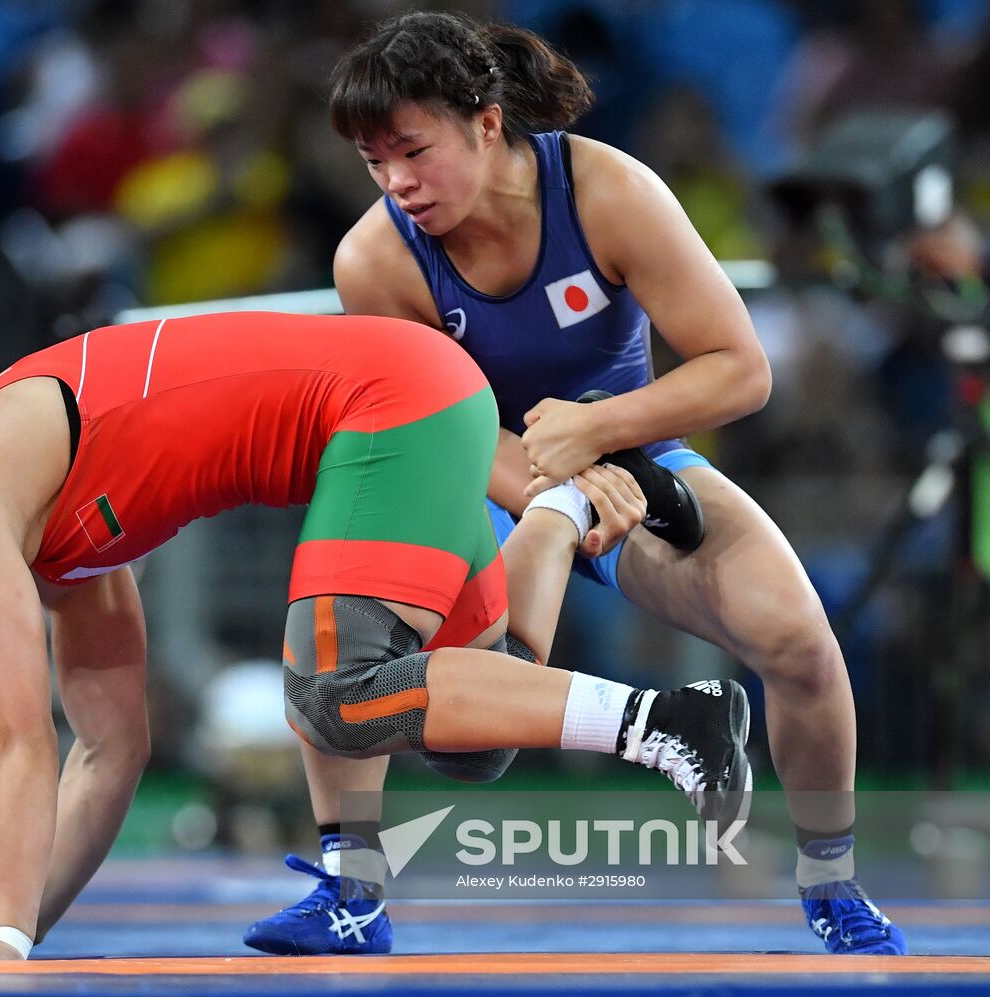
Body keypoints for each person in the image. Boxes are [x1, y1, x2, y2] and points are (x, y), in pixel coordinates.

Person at [0, 311, 750, 961]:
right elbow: (110, 750)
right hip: (407, 403)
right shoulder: (50, 546)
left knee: (333, 688)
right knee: (478, 728)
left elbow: (12, 734)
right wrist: (19, 925)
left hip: (387, 403)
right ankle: (559, 514)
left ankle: (673, 719)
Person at [243, 11, 905, 958]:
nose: (396, 184)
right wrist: (562, 484)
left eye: (412, 152)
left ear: (485, 121)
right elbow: (450, 431)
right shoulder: (377, 258)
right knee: (331, 636)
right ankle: (353, 890)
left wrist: (597, 431)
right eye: (373, 162)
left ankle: (831, 886)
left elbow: (739, 368)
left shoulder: (606, 188)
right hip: (472, 477)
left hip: (634, 465)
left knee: (800, 643)